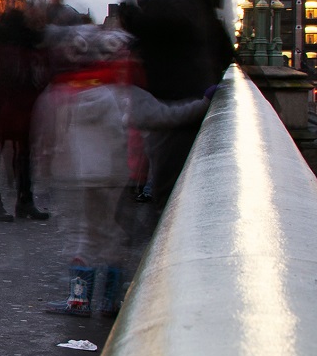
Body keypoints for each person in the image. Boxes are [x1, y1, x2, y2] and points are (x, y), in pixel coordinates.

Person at [34, 27, 208, 317]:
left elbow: (47, 134)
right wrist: (204, 103)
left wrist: (49, 169)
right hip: (113, 174)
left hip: (79, 176)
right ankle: (110, 300)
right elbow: (166, 116)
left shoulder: (65, 92)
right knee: (112, 235)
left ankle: (79, 299)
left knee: (83, 234)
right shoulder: (124, 94)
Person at [116, 0, 234, 203]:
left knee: (172, 197)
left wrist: (130, 14)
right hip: (192, 97)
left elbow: (166, 22)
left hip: (179, 103)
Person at [0, 6, 50, 221]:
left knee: (4, 153)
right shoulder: (19, 49)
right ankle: (16, 201)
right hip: (9, 107)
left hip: (7, 107)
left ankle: (1, 202)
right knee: (16, 154)